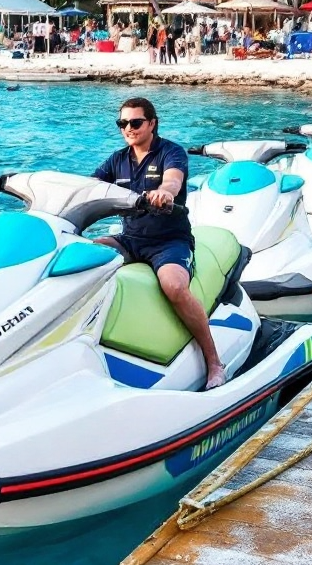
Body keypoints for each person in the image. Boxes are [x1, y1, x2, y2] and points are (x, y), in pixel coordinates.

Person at [93, 98, 227, 389]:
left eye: (135, 122)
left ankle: (214, 361)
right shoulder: (117, 159)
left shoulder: (171, 152)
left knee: (173, 285)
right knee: (86, 255)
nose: (128, 128)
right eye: (122, 123)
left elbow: (173, 181)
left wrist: (165, 193)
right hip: (130, 239)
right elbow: (90, 187)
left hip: (169, 241)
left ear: (152, 123)